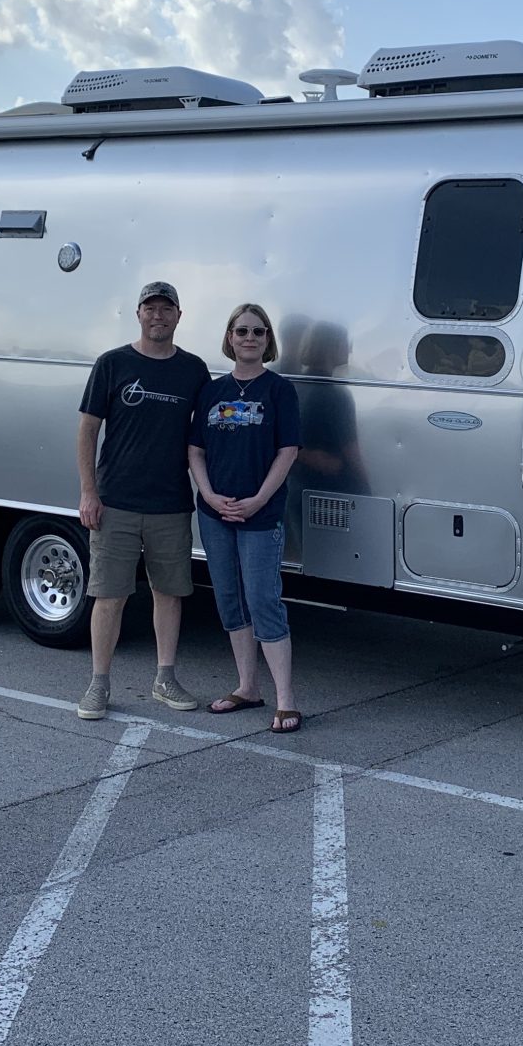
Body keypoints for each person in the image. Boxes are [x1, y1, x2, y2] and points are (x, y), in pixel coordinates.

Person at [75, 282, 212, 721]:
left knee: (168, 593)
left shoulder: (193, 370)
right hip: (115, 502)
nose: (158, 316)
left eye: (166, 309)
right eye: (150, 308)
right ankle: (99, 684)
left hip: (170, 504)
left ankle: (164, 678)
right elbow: (88, 430)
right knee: (109, 596)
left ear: (178, 316)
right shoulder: (113, 363)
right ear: (138, 314)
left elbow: (205, 437)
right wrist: (89, 491)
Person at [189, 303, 305, 733]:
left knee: (262, 599)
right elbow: (195, 450)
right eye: (242, 331)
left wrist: (258, 500)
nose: (250, 338)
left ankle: (286, 700)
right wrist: (208, 494)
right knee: (229, 599)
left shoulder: (279, 390)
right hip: (215, 513)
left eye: (258, 331)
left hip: (260, 515)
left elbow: (287, 451)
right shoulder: (212, 391)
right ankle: (247, 687)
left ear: (268, 339)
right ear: (230, 338)